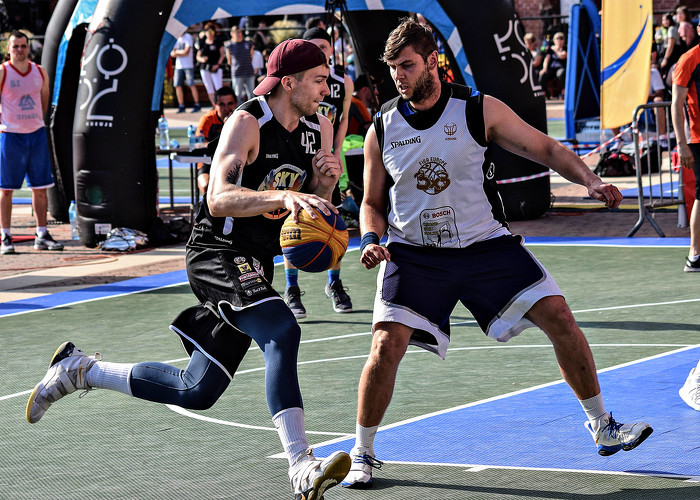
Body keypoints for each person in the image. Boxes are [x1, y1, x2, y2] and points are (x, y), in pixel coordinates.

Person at [25, 39, 351, 500]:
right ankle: (301, 465)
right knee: (283, 330)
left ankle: (81, 371)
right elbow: (218, 198)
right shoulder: (247, 122)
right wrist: (284, 195)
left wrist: (324, 183)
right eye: (318, 80)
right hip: (216, 251)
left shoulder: (318, 127)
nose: (326, 90)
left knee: (196, 389)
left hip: (255, 262)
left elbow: (311, 205)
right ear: (289, 82)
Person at [341, 18, 653, 489]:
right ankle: (362, 451)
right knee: (386, 345)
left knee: (559, 316)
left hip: (484, 245)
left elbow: (545, 148)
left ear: (432, 62)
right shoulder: (382, 127)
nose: (398, 76)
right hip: (415, 253)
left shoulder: (476, 109)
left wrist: (590, 180)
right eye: (392, 68)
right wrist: (369, 239)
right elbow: (371, 201)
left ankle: (602, 426)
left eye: (407, 65)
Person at [281, 27, 355, 320]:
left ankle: (334, 282)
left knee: (331, 219)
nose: (319, 51)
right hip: (299, 154)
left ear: (332, 48)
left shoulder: (342, 81)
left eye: (323, 46)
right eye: (312, 46)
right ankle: (291, 288)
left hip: (325, 154)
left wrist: (335, 151)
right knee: (295, 221)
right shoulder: (298, 78)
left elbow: (344, 117)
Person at [0, 31, 63, 255]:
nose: (19, 50)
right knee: (6, 189)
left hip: (36, 135)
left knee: (40, 188)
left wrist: (34, 122)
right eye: (15, 46)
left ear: (28, 48)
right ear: (8, 49)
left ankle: (42, 234)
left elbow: (44, 101)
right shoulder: (3, 71)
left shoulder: (39, 71)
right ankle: (5, 236)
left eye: (23, 46)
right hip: (11, 136)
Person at [671, 23, 700, 274]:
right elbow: (676, 103)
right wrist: (681, 144)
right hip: (698, 139)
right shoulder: (689, 59)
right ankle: (695, 254)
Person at [195, 86, 237, 195]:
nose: (226, 108)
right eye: (222, 104)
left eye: (230, 104)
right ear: (215, 105)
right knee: (206, 186)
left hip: (234, 161)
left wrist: (231, 125)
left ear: (236, 104)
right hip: (208, 161)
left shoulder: (242, 119)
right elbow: (198, 144)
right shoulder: (207, 119)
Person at [170, 32, 201, 113]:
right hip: (178, 66)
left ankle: (197, 104)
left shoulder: (188, 37)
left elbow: (186, 52)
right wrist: (180, 52)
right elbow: (172, 53)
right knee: (177, 85)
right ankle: (181, 105)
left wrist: (177, 52)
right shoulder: (176, 37)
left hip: (188, 65)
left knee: (191, 84)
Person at [196, 23, 226, 107]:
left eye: (212, 32)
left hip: (216, 67)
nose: (210, 34)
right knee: (209, 88)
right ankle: (214, 106)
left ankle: (221, 105)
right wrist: (202, 59)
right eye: (208, 32)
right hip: (205, 67)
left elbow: (222, 55)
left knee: (218, 87)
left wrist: (217, 65)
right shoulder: (202, 42)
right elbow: (198, 56)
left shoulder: (218, 42)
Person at [225, 26, 256, 103]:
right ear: (231, 33)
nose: (238, 34)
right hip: (237, 72)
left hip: (249, 71)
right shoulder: (229, 45)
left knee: (251, 94)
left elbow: (251, 56)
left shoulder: (248, 43)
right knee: (237, 94)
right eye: (236, 32)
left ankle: (252, 109)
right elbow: (229, 61)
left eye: (239, 32)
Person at [539, 31, 566, 99]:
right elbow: (546, 59)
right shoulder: (550, 50)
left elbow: (562, 56)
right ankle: (545, 93)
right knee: (542, 74)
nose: (559, 40)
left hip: (560, 68)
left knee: (561, 74)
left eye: (561, 38)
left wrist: (555, 49)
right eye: (557, 38)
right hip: (551, 69)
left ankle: (562, 92)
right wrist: (544, 68)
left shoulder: (565, 48)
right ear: (554, 40)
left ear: (563, 40)